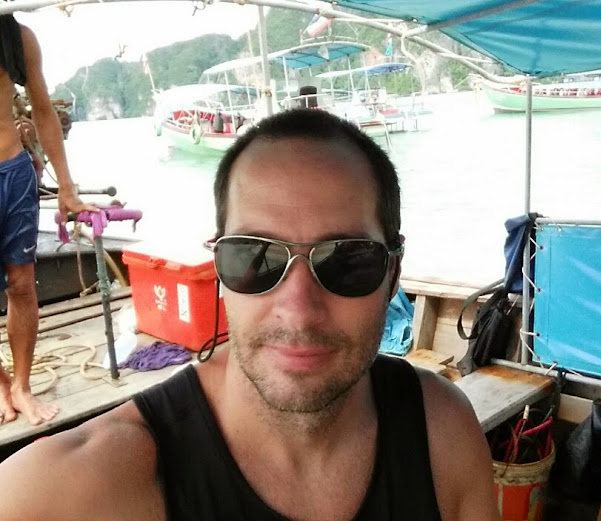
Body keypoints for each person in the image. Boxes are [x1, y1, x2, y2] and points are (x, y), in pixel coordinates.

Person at [0, 108, 499, 520]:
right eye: (254, 257)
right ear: (219, 270)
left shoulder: (442, 432)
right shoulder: (84, 488)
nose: (299, 311)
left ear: (393, 274)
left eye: (347, 261)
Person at [0, 15, 96, 425]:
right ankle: (0, 382)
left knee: (21, 283)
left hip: (13, 171)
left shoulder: (16, 36)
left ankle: (21, 386)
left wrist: (66, 187)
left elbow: (43, 109)